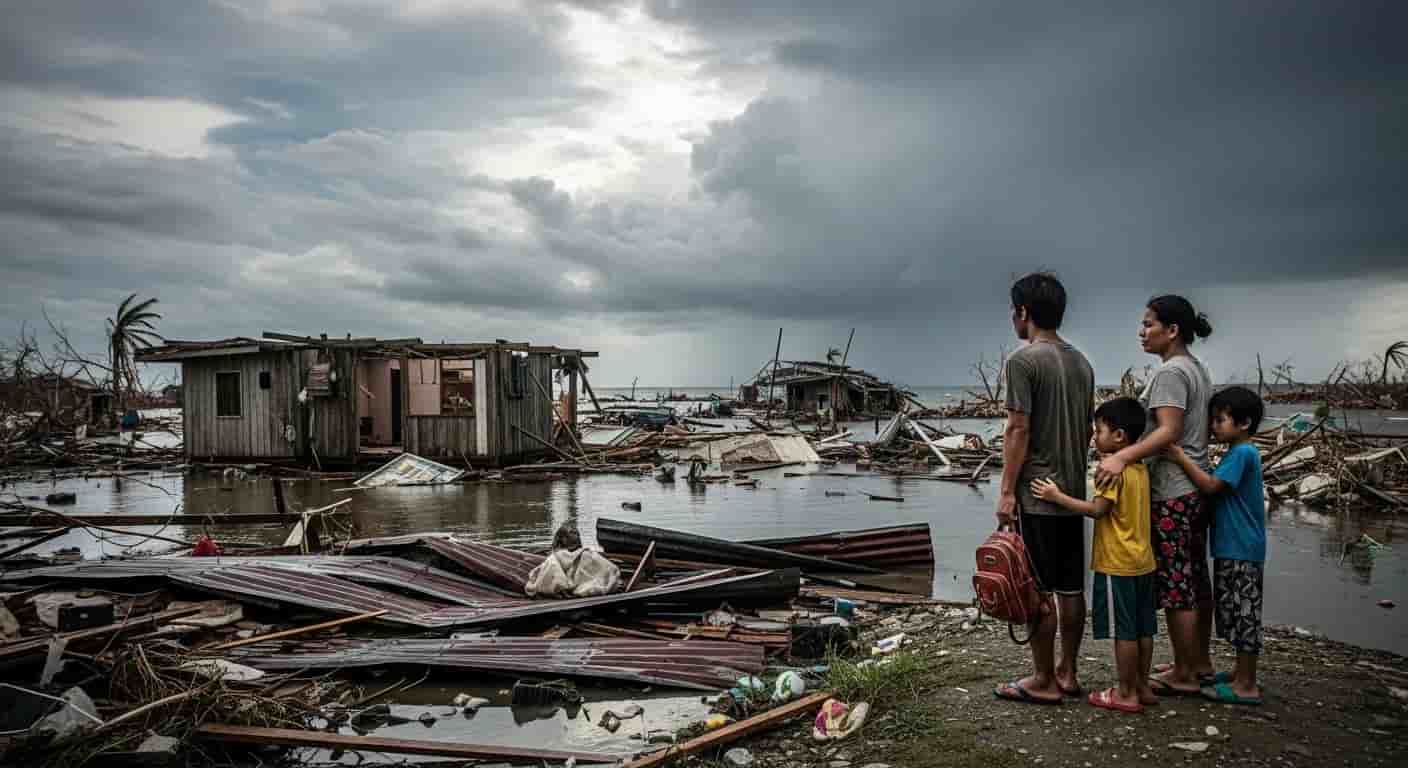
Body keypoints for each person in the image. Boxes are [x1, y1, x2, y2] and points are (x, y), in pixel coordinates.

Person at [1094, 295, 1214, 696]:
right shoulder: (1197, 368)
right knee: (1194, 577)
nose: (1141, 332)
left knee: (1179, 585)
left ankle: (1184, 672)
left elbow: (1168, 430)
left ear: (1172, 330)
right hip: (1192, 489)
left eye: (1148, 325)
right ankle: (1197, 661)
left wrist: (1121, 457)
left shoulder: (1170, 373)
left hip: (1173, 490)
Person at [993, 272, 1095, 706]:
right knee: (1071, 588)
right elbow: (1087, 429)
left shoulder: (1023, 361)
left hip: (1037, 493)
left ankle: (1042, 678)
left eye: (1013, 310)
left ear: (1024, 312)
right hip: (1071, 492)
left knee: (1036, 587)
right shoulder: (1081, 362)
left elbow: (1018, 428)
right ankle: (1068, 672)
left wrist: (1006, 490)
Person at [1032, 397, 1156, 713]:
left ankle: (1125, 693)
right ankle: (1141, 685)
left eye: (1099, 430)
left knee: (1124, 631)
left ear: (1119, 436)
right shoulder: (1139, 467)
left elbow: (1099, 510)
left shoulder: (1110, 472)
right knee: (1143, 628)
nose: (1093, 436)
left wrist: (1057, 497)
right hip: (1143, 561)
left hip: (1118, 563)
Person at [1166, 385, 1267, 705]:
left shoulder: (1243, 453)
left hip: (1241, 549)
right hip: (1231, 547)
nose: (1214, 426)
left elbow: (1210, 485)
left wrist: (1180, 456)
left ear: (1244, 423)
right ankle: (1240, 674)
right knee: (1236, 613)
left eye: (1221, 420)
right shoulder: (1236, 452)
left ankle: (1247, 684)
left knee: (1245, 614)